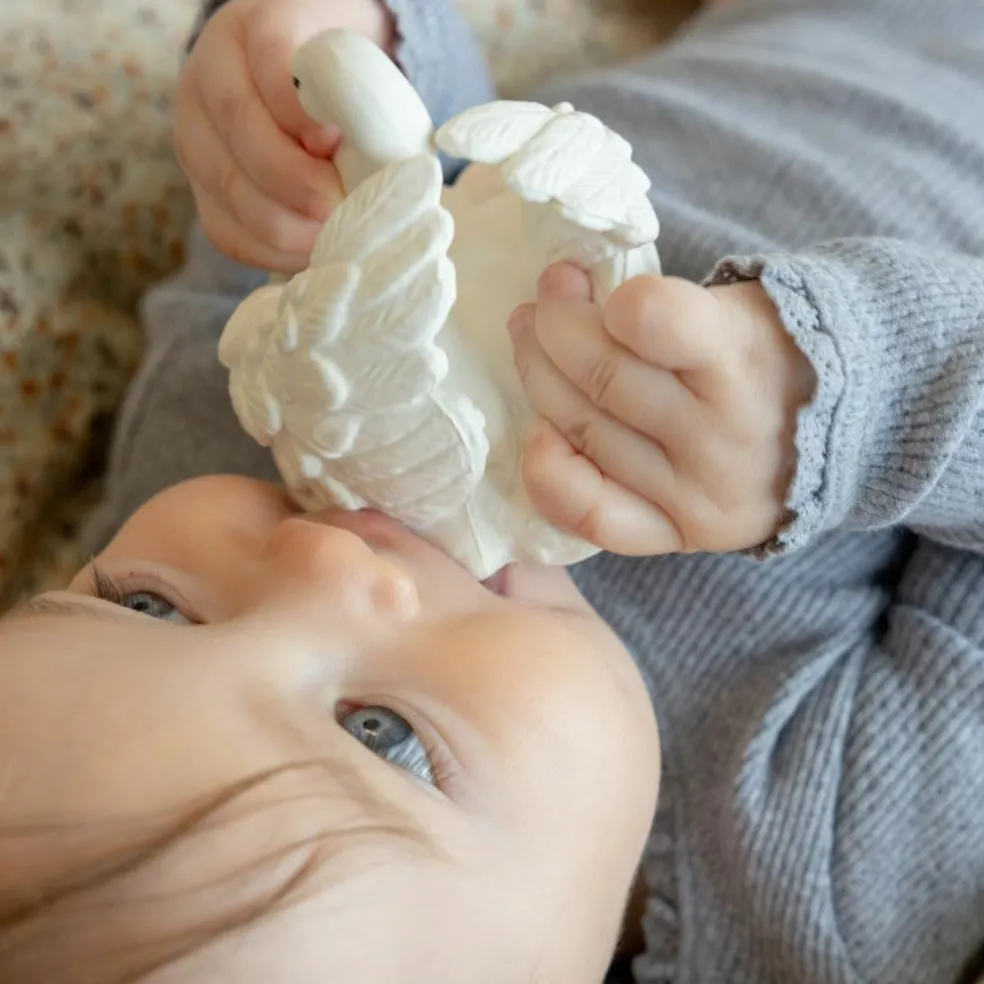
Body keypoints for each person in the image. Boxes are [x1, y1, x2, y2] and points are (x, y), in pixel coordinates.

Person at [3, 0, 984, 981]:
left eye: (150, 608)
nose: (324, 556)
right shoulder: (817, 882)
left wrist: (304, 83)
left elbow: (401, 170)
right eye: (382, 737)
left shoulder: (218, 439)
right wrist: (839, 404)